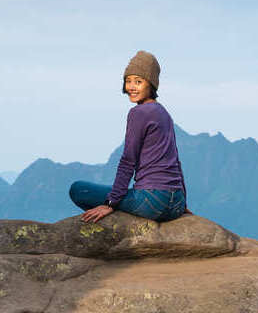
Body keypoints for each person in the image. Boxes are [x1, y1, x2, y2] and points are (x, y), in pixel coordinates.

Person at [69, 50, 188, 223]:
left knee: (78, 189)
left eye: (138, 82)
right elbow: (175, 160)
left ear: (151, 84)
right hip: (176, 203)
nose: (131, 87)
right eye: (128, 81)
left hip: (152, 202)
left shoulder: (138, 112)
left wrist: (111, 203)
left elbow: (128, 160)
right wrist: (182, 202)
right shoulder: (164, 113)